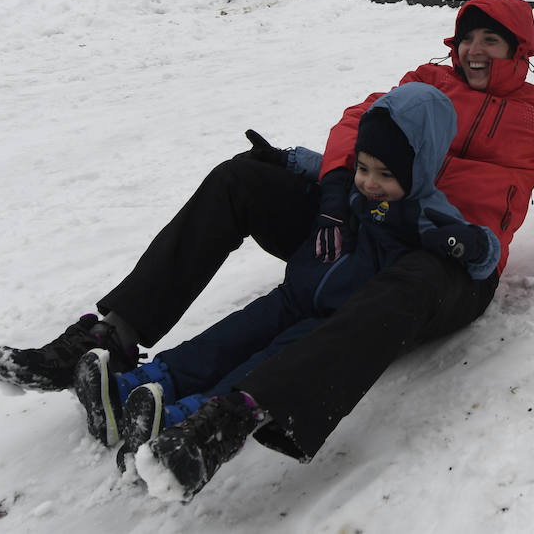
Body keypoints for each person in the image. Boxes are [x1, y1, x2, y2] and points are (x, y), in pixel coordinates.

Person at [0, 0, 534, 496]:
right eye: (468, 36)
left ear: (521, 50)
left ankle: (233, 417)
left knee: (408, 282)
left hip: (446, 261)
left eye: (493, 39)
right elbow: (356, 125)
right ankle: (111, 337)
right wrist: (332, 196)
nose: (476, 50)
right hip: (358, 224)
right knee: (242, 179)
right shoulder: (425, 82)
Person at [71, 85, 499, 481]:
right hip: (295, 293)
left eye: (384, 175)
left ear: (419, 168)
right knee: (226, 338)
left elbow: (482, 256)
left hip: (326, 319)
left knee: (258, 362)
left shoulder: (424, 212)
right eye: (364, 167)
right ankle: (139, 388)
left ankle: (186, 416)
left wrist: (473, 245)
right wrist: (283, 159)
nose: (369, 183)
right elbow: (322, 166)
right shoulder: (358, 185)